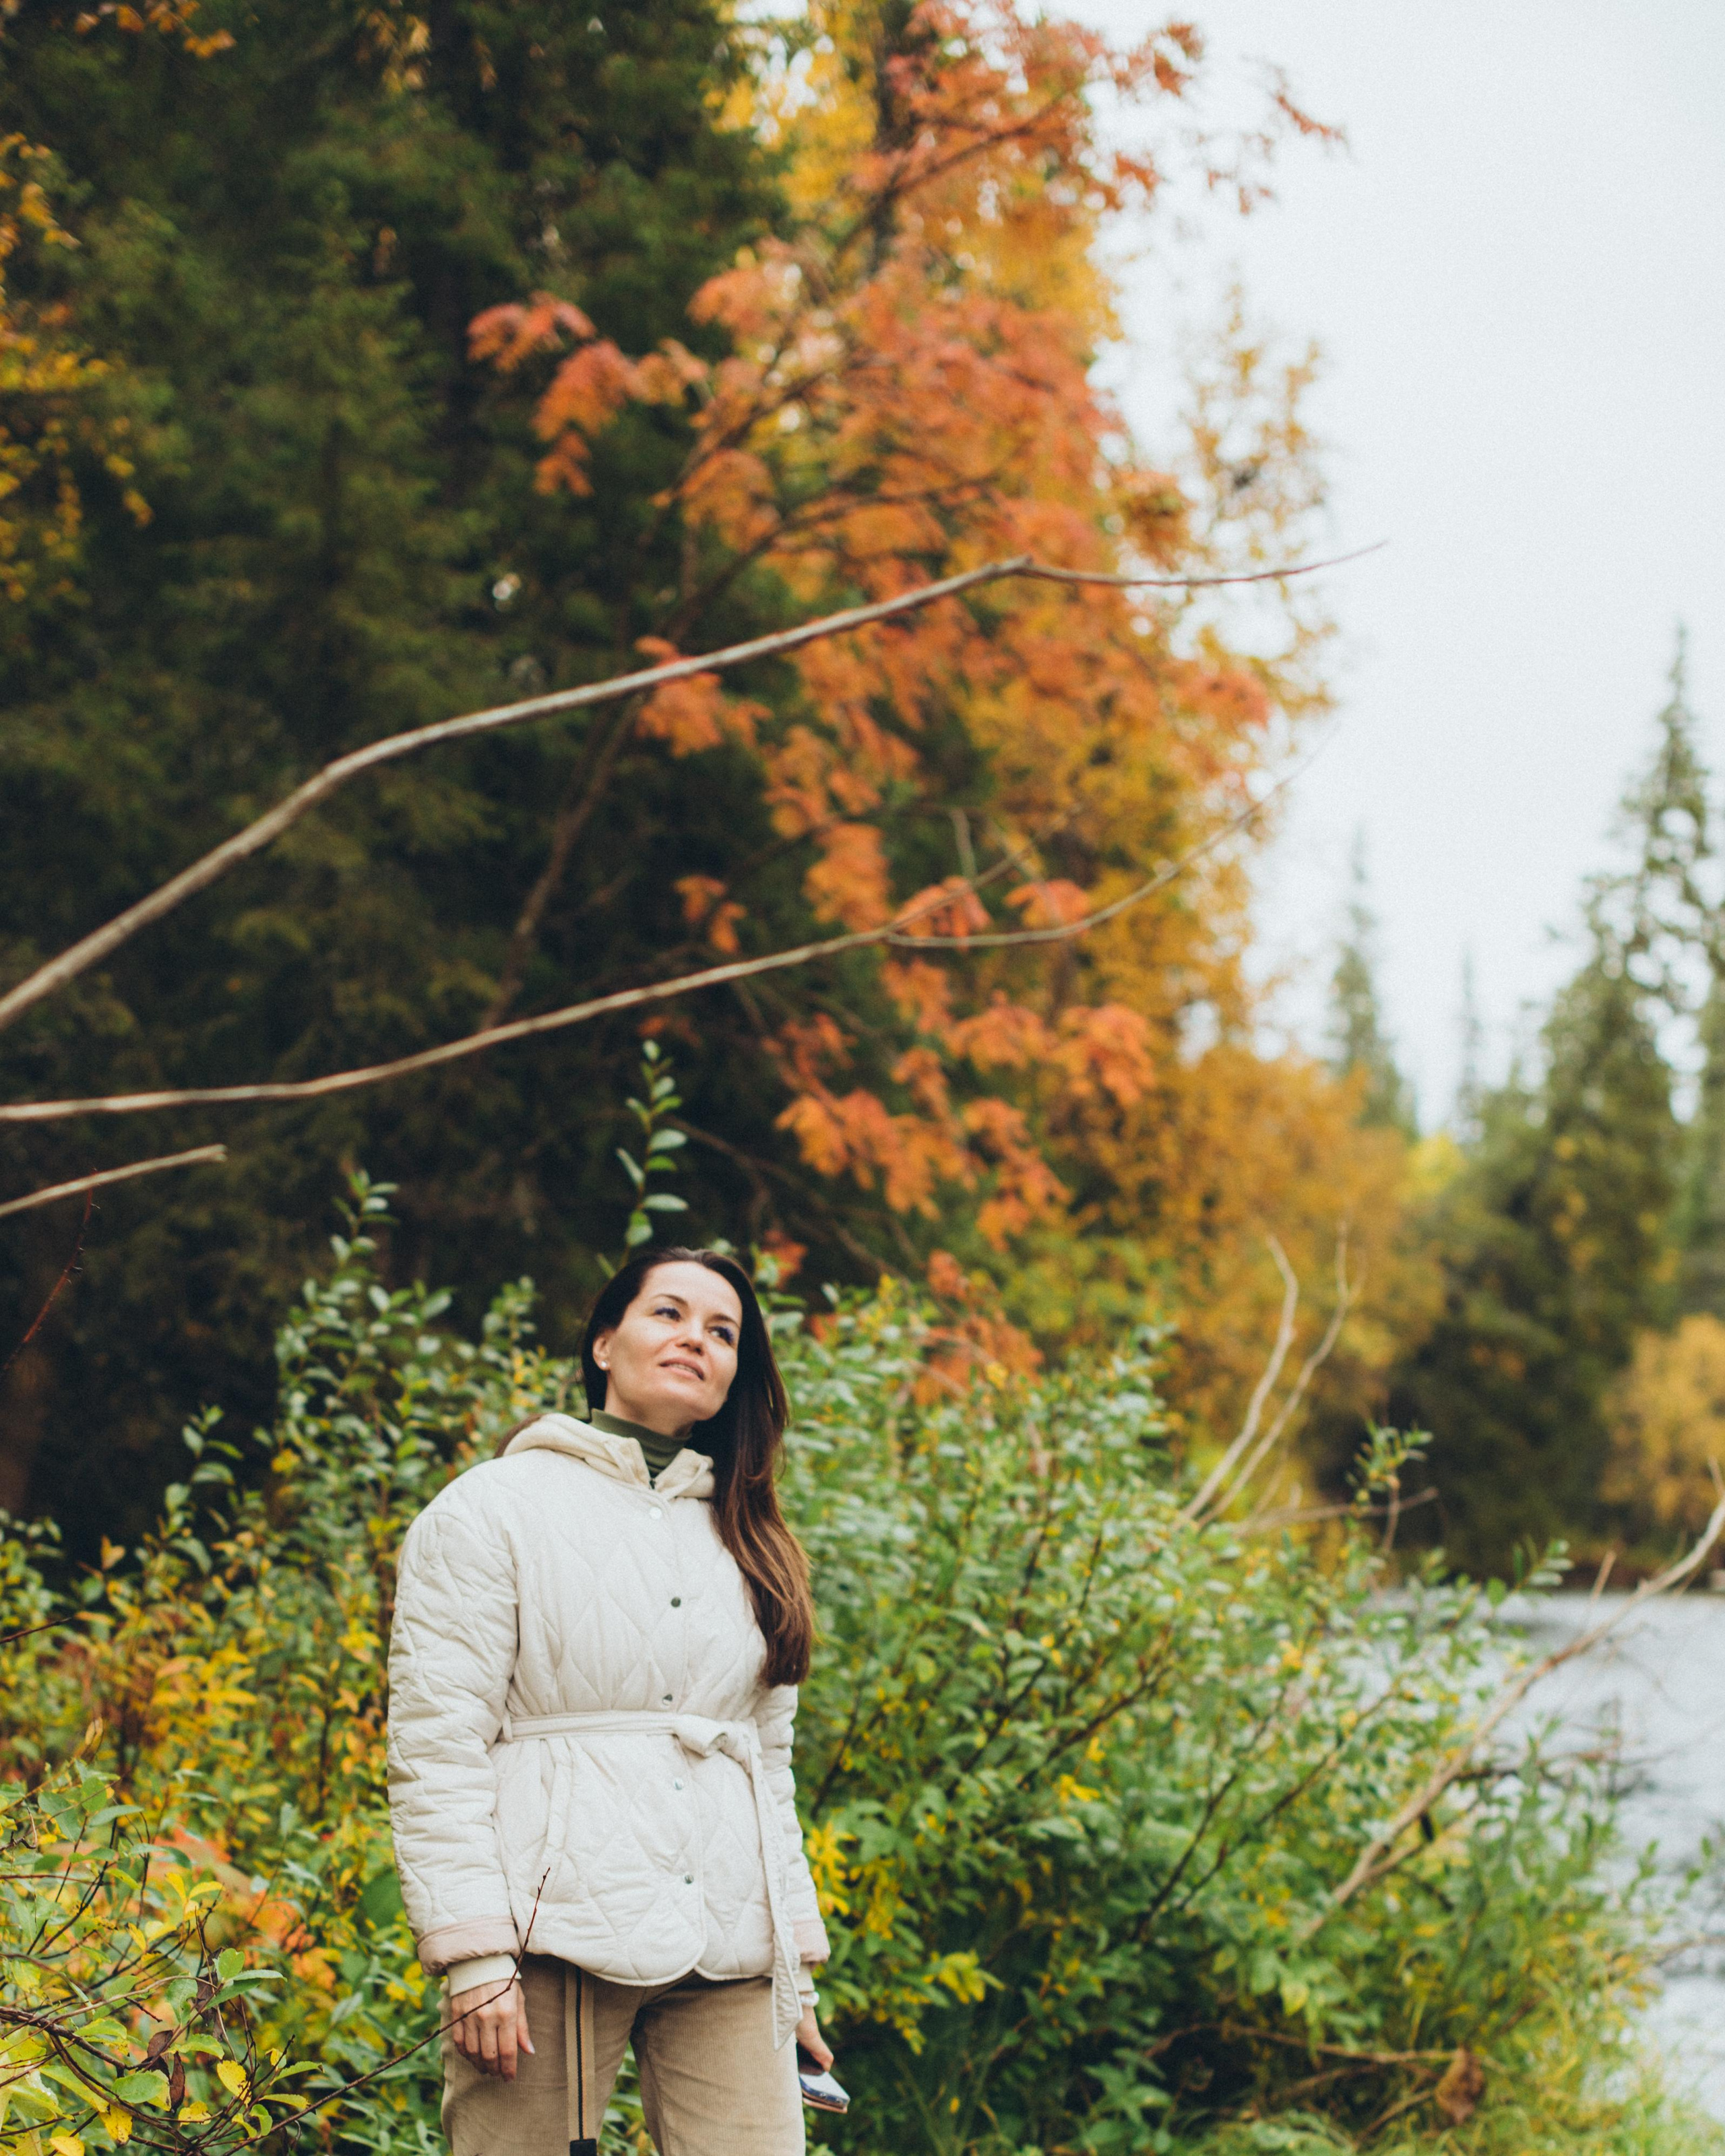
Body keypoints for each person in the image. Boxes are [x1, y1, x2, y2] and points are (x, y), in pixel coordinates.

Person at [386, 1246, 832, 2156]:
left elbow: (768, 1766)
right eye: (667, 1314)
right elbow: (436, 1746)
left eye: (722, 1332)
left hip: (730, 1943)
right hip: (546, 1934)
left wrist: (797, 1977)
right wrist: (472, 1954)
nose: (694, 1340)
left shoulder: (754, 1537)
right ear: (603, 1342)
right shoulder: (488, 1512)